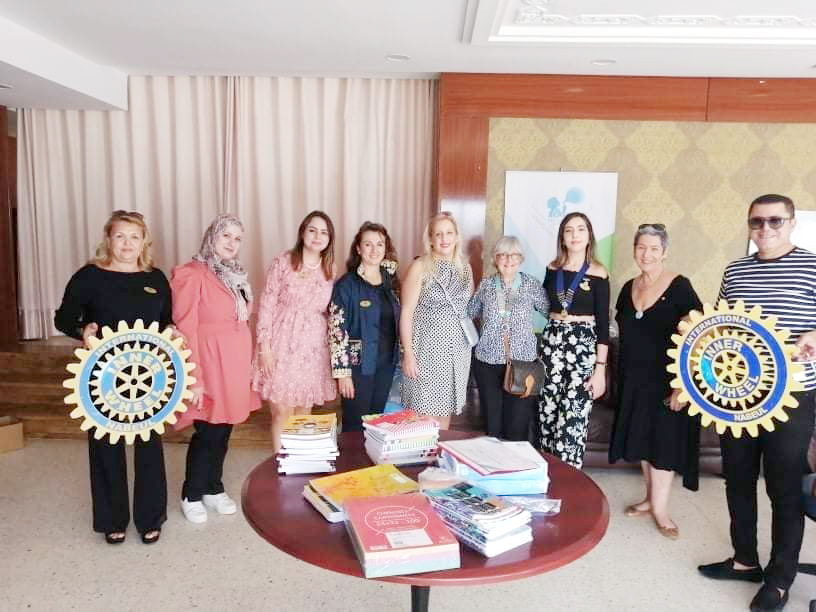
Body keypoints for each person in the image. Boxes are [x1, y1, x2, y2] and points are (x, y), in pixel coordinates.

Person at [697, 194, 816, 612]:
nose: (765, 229)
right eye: (756, 221)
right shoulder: (736, 270)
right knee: (738, 478)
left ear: (792, 223)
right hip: (738, 395)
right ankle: (744, 560)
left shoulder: (812, 266)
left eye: (775, 221)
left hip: (792, 396)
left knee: (784, 487)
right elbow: (719, 326)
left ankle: (780, 580)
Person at [54, 210, 171, 545]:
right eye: (120, 236)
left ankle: (150, 518)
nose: (127, 244)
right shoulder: (89, 276)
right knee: (105, 443)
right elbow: (63, 319)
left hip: (147, 374)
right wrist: (82, 330)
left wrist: (172, 330)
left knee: (149, 444)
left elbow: (166, 319)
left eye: (134, 237)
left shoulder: (155, 278)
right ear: (108, 240)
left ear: (144, 242)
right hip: (103, 374)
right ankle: (112, 519)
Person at [608, 224, 702, 540]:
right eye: (641, 247)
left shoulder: (679, 287)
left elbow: (697, 337)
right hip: (634, 379)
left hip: (667, 379)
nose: (646, 254)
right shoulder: (628, 287)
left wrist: (682, 386)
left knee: (663, 444)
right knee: (644, 442)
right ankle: (650, 500)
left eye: (653, 248)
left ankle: (661, 510)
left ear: (664, 252)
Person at [170, 213, 261, 524]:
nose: (232, 243)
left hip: (234, 362)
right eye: (226, 236)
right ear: (212, 236)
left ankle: (213, 487)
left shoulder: (236, 275)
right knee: (208, 429)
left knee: (224, 428)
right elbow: (185, 327)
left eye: (237, 238)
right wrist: (194, 376)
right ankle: (192, 493)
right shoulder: (192, 273)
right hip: (209, 362)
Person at [252, 211, 338, 451]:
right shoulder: (283, 262)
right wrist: (264, 347)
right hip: (281, 340)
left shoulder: (330, 268)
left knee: (303, 410)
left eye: (324, 232)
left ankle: (298, 464)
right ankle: (280, 464)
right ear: (302, 232)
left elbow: (331, 311)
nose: (317, 236)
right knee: (282, 410)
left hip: (312, 347)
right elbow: (266, 303)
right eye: (312, 230)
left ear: (329, 238)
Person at [538, 212, 609, 468]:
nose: (575, 235)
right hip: (552, 343)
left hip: (583, 347)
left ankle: (568, 477)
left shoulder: (599, 273)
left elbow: (603, 325)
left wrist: (600, 371)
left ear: (589, 236)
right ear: (562, 238)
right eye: (569, 230)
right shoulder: (552, 269)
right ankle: (547, 474)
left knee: (573, 418)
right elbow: (542, 305)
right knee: (547, 414)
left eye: (580, 229)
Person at [467, 236, 549, 440]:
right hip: (488, 362)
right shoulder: (486, 284)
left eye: (514, 255)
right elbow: (470, 312)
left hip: (522, 363)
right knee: (492, 427)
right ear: (495, 258)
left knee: (517, 427)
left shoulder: (531, 284)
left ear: (521, 259)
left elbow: (550, 312)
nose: (508, 259)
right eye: (502, 254)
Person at [400, 212, 473, 430]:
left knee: (444, 413)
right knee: (423, 415)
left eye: (449, 233)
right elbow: (406, 313)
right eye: (438, 234)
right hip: (426, 351)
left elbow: (465, 307)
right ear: (430, 239)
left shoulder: (465, 267)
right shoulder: (420, 267)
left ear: (457, 237)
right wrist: (408, 354)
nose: (444, 238)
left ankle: (439, 451)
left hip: (457, 352)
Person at [328, 222, 400, 432]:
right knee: (354, 425)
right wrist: (343, 374)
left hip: (386, 365)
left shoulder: (391, 281)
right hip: (358, 367)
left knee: (376, 423)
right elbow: (336, 331)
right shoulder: (346, 285)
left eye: (380, 244)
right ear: (358, 249)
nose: (374, 250)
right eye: (368, 244)